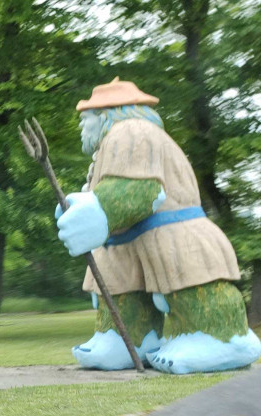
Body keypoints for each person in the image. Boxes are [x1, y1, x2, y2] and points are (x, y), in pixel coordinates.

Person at [55, 77, 261, 373]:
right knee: (122, 288)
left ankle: (219, 338)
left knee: (191, 285)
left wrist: (98, 211)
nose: (81, 125)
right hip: (129, 239)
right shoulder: (111, 144)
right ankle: (127, 339)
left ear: (106, 114)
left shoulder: (131, 131)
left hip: (173, 233)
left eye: (86, 117)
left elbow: (138, 190)